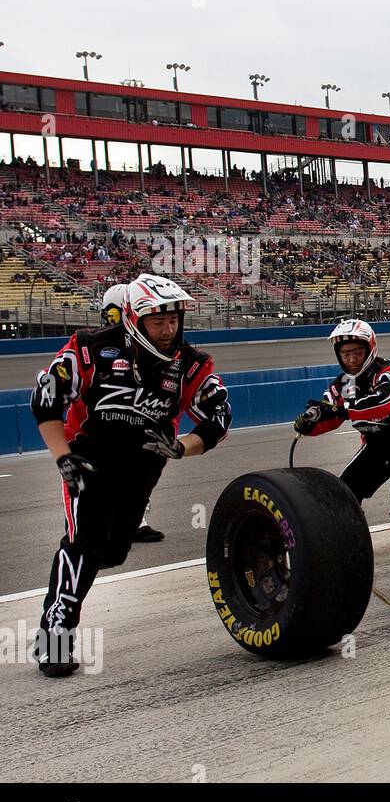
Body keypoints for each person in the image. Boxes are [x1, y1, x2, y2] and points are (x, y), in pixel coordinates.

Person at [30, 274, 231, 677]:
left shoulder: (191, 364)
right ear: (134, 319)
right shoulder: (90, 348)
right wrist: (62, 457)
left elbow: (219, 415)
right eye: (158, 321)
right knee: (83, 544)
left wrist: (183, 447)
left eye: (173, 320)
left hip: (142, 468)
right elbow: (45, 398)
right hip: (87, 460)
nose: (168, 329)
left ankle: (83, 569)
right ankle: (54, 636)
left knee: (112, 552)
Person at [293, 319, 390, 525]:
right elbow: (330, 413)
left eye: (357, 352)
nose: (351, 359)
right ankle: (349, 534)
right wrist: (310, 425)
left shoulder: (389, 374)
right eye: (345, 354)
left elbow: (386, 402)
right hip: (376, 447)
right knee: (344, 494)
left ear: (369, 349)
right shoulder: (343, 384)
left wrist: (343, 410)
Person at [98, 283, 165, 543]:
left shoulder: (145, 344)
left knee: (139, 472)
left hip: (138, 417)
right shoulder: (101, 345)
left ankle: (135, 521)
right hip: (109, 419)